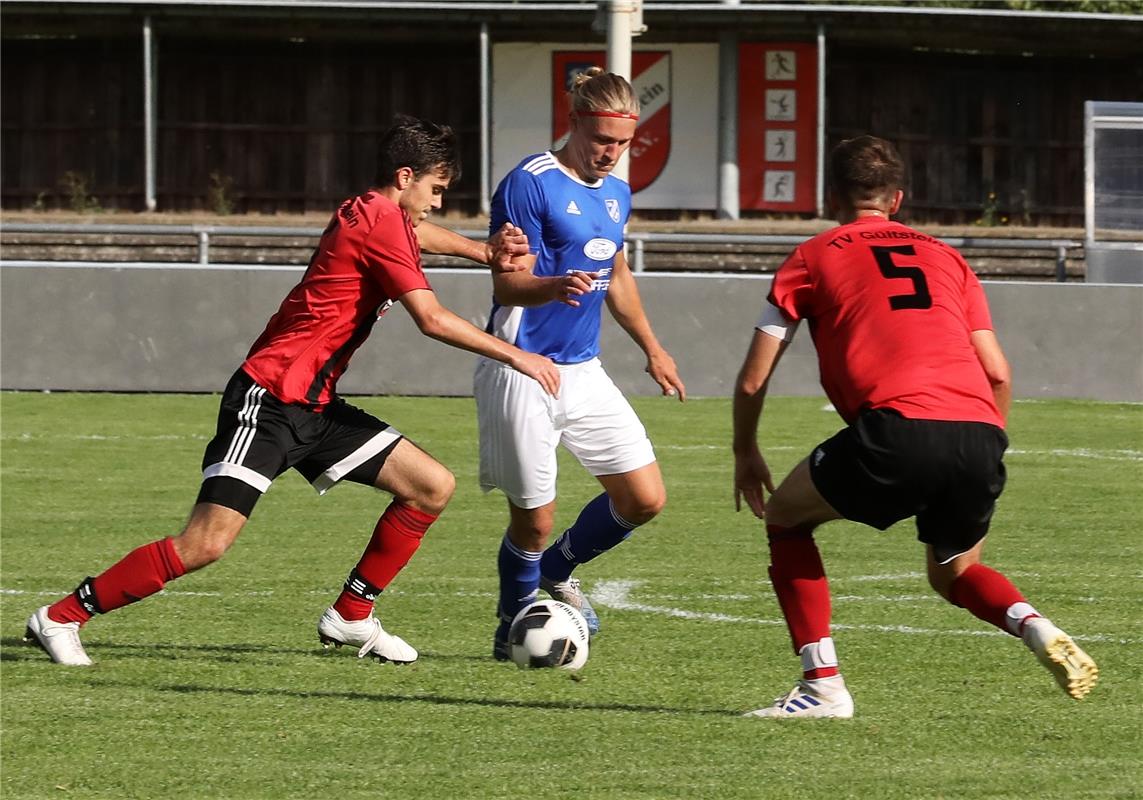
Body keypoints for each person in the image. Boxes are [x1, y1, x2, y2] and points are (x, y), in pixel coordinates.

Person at [24, 114, 561, 667]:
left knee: (430, 486)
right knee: (206, 542)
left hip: (315, 406)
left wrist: (486, 253)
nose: (439, 203)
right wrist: (519, 355)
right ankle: (61, 616)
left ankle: (351, 615)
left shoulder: (375, 211)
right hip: (270, 399)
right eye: (436, 189)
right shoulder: (381, 221)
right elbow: (431, 319)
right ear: (406, 176)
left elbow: (419, 233)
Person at [731, 135, 1098, 718]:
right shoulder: (947, 257)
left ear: (833, 195)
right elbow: (997, 371)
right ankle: (1033, 623)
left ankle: (823, 687)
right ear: (896, 199)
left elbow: (753, 380)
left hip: (899, 429)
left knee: (786, 519)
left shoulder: (813, 254)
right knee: (954, 573)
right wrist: (986, 443)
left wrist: (745, 450)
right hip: (979, 432)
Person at [476, 67, 686, 660]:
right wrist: (551, 286)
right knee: (532, 524)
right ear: (573, 123)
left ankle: (559, 570)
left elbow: (615, 275)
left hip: (583, 369)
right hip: (522, 366)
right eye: (601, 140)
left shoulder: (618, 193)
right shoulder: (529, 183)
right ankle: (511, 630)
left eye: (621, 143)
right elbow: (507, 285)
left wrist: (653, 348)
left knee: (644, 498)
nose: (611, 154)